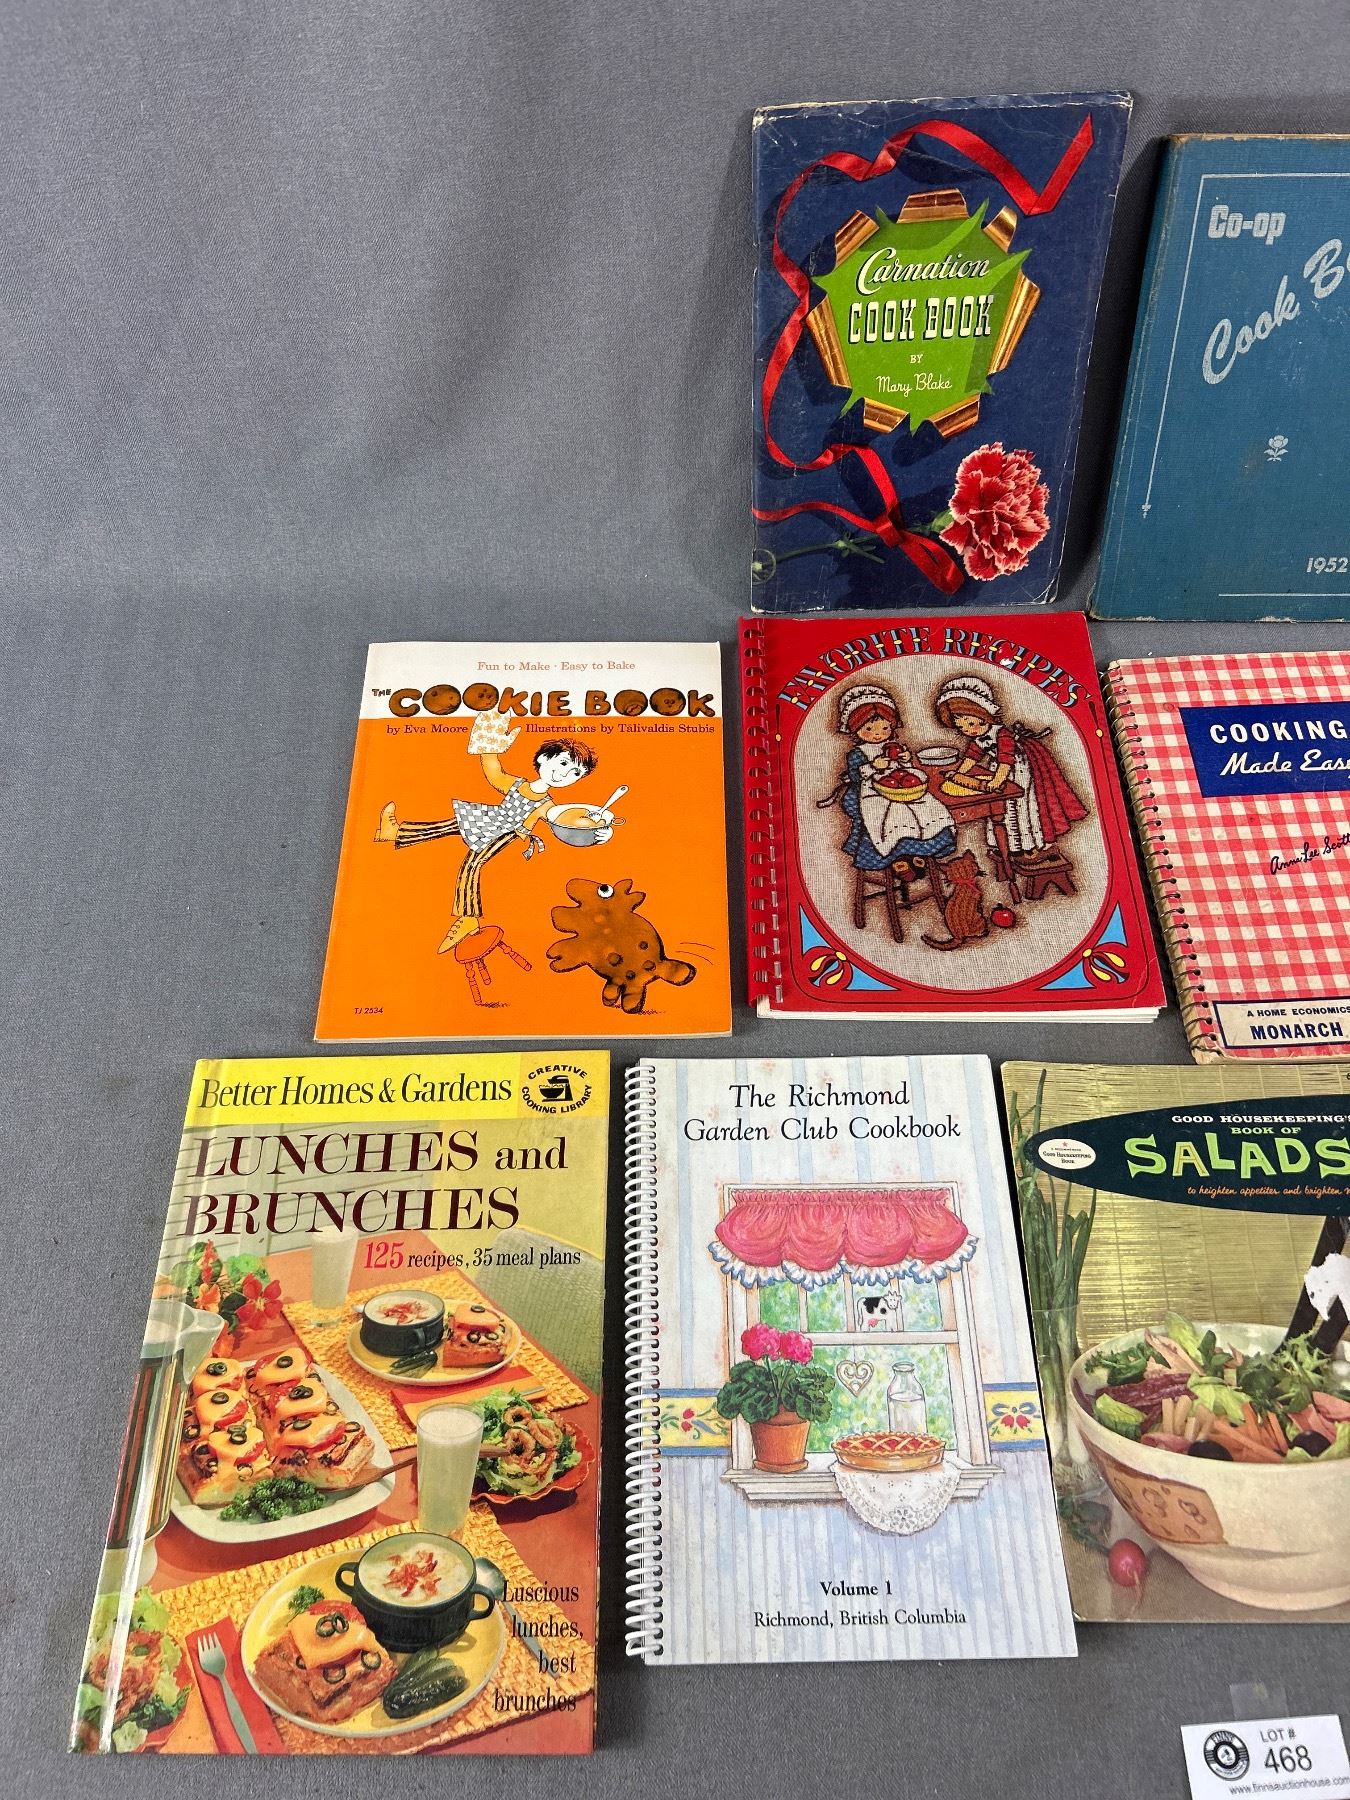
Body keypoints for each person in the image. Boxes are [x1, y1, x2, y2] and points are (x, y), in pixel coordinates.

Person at [375, 709, 611, 952]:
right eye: (563, 763)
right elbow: (494, 773)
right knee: (450, 824)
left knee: (472, 864)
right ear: (543, 759)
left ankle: (468, 918)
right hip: (490, 817)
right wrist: (489, 744)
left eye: (576, 773)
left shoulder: (546, 804)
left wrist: (596, 833)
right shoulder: (517, 784)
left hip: (505, 832)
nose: (565, 773)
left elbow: (564, 821)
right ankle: (395, 832)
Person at [932, 674, 1086, 863]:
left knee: (1017, 804)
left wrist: (997, 781)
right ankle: (1004, 845)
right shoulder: (978, 737)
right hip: (999, 768)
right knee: (1000, 807)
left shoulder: (1002, 734)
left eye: (971, 723)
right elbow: (972, 757)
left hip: (1019, 768)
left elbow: (1006, 761)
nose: (968, 730)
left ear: (984, 714)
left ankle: (1027, 846)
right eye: (961, 727)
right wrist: (958, 774)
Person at [822, 683, 956, 879]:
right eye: (869, 728)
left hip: (901, 790)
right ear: (856, 729)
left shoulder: (893, 745)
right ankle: (897, 858)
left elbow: (906, 771)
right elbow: (855, 776)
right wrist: (874, 766)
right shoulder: (858, 753)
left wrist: (905, 760)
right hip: (870, 793)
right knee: (893, 816)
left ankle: (917, 852)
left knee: (927, 808)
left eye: (885, 728)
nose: (878, 733)